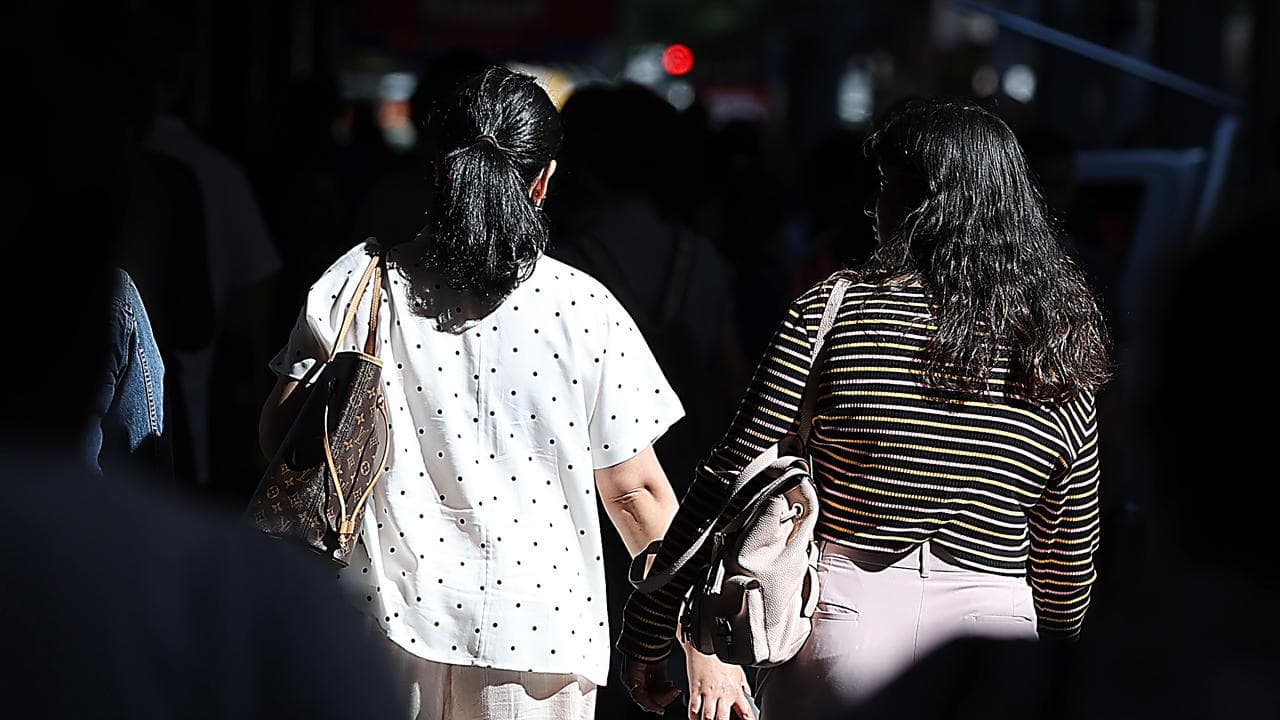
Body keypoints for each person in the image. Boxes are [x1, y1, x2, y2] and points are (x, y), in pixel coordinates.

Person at [258, 66, 746, 720]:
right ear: (543, 180)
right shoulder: (584, 309)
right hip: (540, 641)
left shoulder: (360, 282)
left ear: (437, 170)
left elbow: (279, 438)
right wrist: (696, 640)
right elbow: (636, 493)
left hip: (377, 629)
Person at [617, 98, 1111, 718]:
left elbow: (730, 471)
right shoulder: (1055, 345)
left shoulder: (835, 311)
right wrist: (1055, 665)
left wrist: (653, 616)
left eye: (886, 187)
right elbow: (1066, 550)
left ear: (917, 203)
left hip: (849, 624)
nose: (874, 206)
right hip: (998, 637)